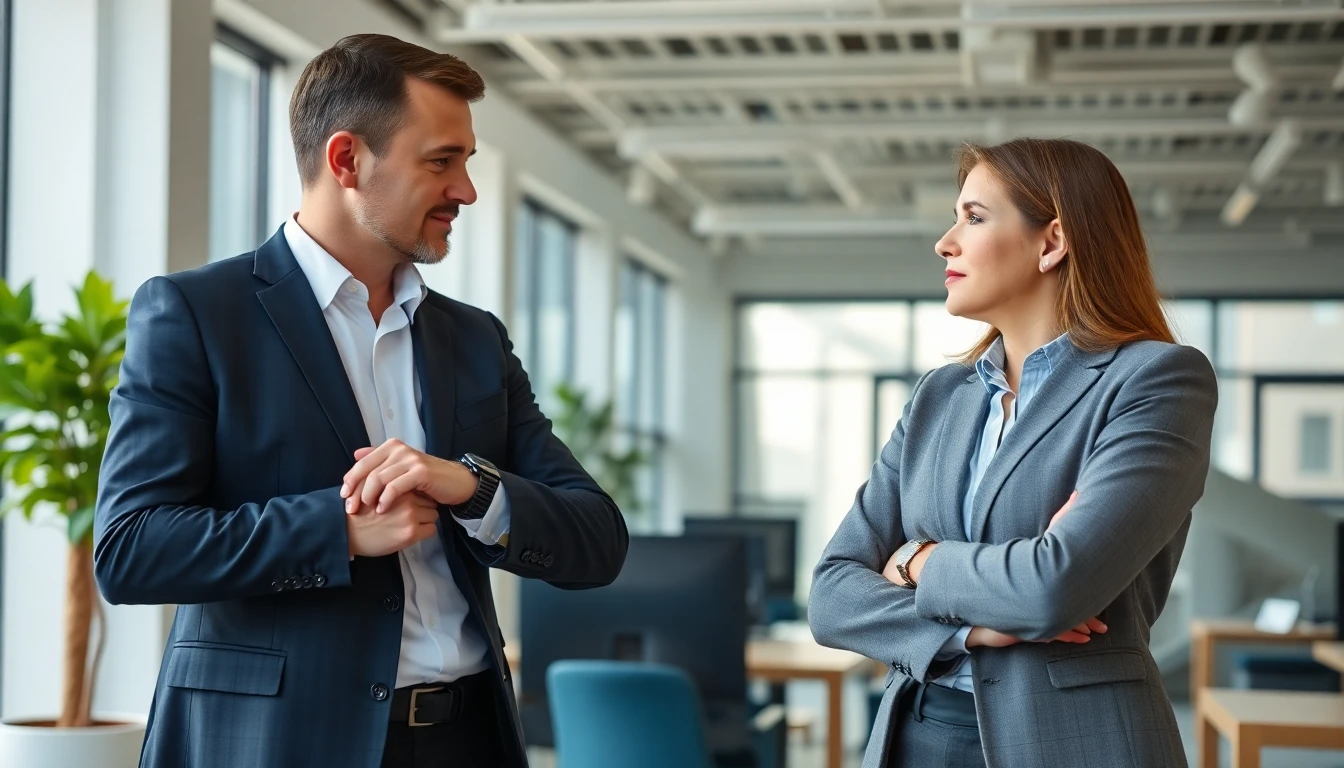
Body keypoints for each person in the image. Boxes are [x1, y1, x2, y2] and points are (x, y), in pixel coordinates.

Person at [93, 34, 628, 768]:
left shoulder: (474, 340)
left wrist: (470, 486)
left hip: (468, 739)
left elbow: (597, 537)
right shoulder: (196, 314)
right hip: (278, 745)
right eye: (441, 161)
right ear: (347, 160)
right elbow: (132, 549)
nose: (465, 190)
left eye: (466, 162)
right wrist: (335, 529)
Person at [809, 137, 1217, 768]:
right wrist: (968, 628)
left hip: (1074, 741)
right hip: (913, 736)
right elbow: (833, 594)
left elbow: (1054, 586)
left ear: (1051, 243)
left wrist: (919, 558)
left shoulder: (1156, 381)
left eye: (973, 217)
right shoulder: (939, 398)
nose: (946, 242)